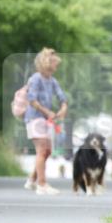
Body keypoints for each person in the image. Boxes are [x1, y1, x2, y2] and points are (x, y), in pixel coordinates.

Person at [24, 48, 68, 195]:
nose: (57, 65)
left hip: (44, 120)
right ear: (46, 62)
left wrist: (63, 108)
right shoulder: (36, 78)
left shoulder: (52, 80)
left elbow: (62, 97)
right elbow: (32, 100)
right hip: (34, 118)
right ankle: (41, 184)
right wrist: (47, 112)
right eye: (54, 62)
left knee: (47, 151)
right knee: (42, 150)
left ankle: (32, 179)